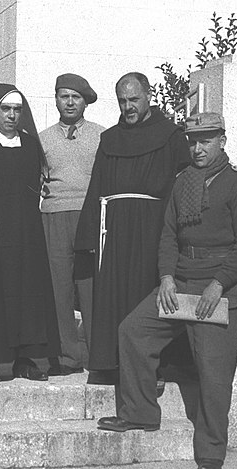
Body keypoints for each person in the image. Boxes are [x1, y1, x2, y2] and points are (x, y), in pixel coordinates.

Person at [97, 113, 237, 469]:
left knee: (214, 371)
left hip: (219, 287)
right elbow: (169, 235)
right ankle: (139, 412)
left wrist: (219, 284)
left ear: (222, 140)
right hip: (182, 279)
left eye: (205, 140)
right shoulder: (182, 182)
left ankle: (212, 451)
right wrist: (167, 277)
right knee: (133, 330)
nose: (197, 148)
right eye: (192, 141)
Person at [74, 72, 192, 386]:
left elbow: (184, 184)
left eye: (134, 100)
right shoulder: (109, 139)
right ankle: (110, 362)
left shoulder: (170, 135)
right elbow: (97, 184)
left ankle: (153, 366)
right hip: (112, 230)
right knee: (112, 294)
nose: (128, 107)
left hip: (153, 228)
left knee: (145, 293)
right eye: (123, 101)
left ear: (149, 96)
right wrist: (87, 235)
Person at [0, 83, 62, 382]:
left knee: (28, 290)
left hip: (27, 229)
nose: (12, 115)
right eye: (6, 109)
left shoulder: (30, 144)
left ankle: (26, 358)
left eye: (17, 110)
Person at [39, 73, 105, 376]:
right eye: (63, 96)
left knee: (90, 286)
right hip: (53, 216)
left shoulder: (101, 136)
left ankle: (96, 353)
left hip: (89, 216)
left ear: (85, 102)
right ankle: (67, 354)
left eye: (75, 97)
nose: (69, 102)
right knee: (57, 286)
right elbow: (38, 181)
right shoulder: (43, 139)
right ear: (55, 99)